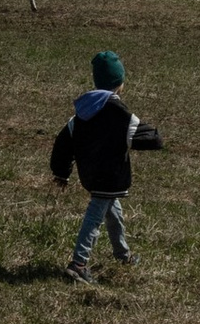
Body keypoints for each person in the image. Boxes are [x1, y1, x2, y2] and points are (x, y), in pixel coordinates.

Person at [49, 46, 163, 279]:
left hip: (90, 175)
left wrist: (61, 173)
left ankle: (123, 254)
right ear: (119, 82)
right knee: (94, 217)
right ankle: (78, 263)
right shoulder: (118, 113)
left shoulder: (81, 112)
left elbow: (63, 142)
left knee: (114, 212)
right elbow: (145, 137)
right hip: (110, 176)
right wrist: (156, 137)